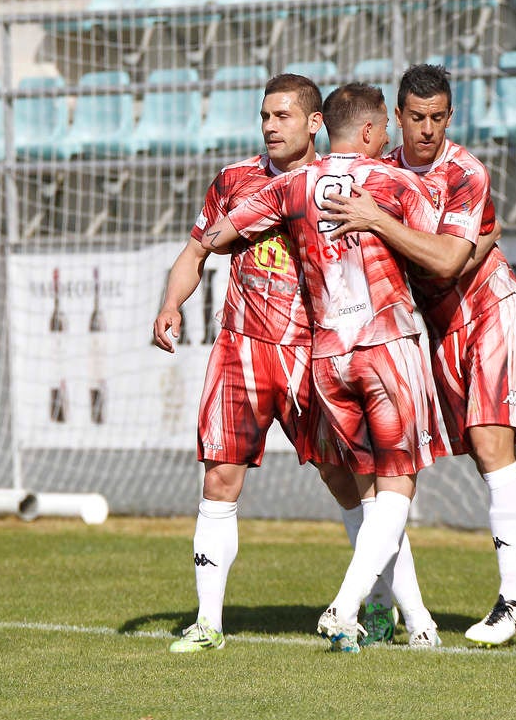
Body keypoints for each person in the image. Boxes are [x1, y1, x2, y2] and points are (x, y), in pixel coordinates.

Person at [202, 83, 478, 652]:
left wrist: (198, 254)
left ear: (326, 126)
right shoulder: (397, 182)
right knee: (395, 485)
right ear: (376, 132)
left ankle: (417, 620)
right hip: (385, 346)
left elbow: (220, 236)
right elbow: (443, 257)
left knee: (367, 492)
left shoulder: (293, 185)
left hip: (326, 357)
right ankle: (346, 605)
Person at [324, 64, 516, 645]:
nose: (427, 129)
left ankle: (512, 600)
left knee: (495, 449)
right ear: (396, 118)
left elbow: (448, 263)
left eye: (438, 117)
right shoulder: (382, 171)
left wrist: (377, 220)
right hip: (441, 328)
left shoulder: (465, 172)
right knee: (495, 463)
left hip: (491, 308)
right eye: (416, 118)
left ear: (451, 115)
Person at [153, 74, 366, 653]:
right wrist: (172, 303)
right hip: (240, 349)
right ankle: (209, 624)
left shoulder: (338, 185)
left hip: (311, 352)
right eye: (265, 116)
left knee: (345, 478)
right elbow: (197, 249)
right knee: (219, 477)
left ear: (314, 122)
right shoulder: (234, 181)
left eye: (283, 116)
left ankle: (373, 603)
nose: (270, 126)